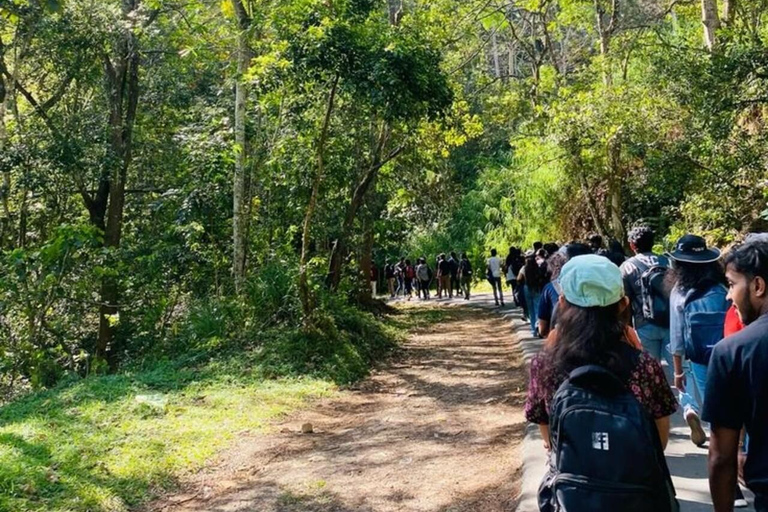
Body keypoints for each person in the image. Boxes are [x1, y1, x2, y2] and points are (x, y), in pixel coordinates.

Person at [525, 255, 678, 507]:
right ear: (622, 305)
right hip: (636, 494)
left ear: (561, 303)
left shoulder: (544, 365)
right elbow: (658, 439)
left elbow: (548, 437)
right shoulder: (643, 365)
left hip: (574, 497)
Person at [704, 237, 768, 512]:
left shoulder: (733, 351)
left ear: (757, 286)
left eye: (731, 284)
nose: (728, 296)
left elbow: (721, 457)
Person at [666, 234, 728, 447]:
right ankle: (740, 444)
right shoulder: (723, 286)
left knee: (712, 402)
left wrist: (678, 371)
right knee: (734, 400)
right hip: (729, 354)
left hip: (699, 356)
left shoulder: (679, 292)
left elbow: (676, 335)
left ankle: (716, 438)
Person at [620, 226, 671, 362]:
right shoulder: (667, 262)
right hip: (670, 321)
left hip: (644, 323)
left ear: (632, 245)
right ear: (652, 243)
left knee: (651, 368)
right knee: (677, 371)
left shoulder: (627, 267)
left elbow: (625, 301)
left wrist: (627, 330)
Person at [519, 250, 545, 336]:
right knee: (537, 308)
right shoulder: (537, 267)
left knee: (531, 310)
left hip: (527, 288)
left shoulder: (524, 268)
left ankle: (533, 330)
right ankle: (539, 328)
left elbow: (518, 279)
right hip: (537, 288)